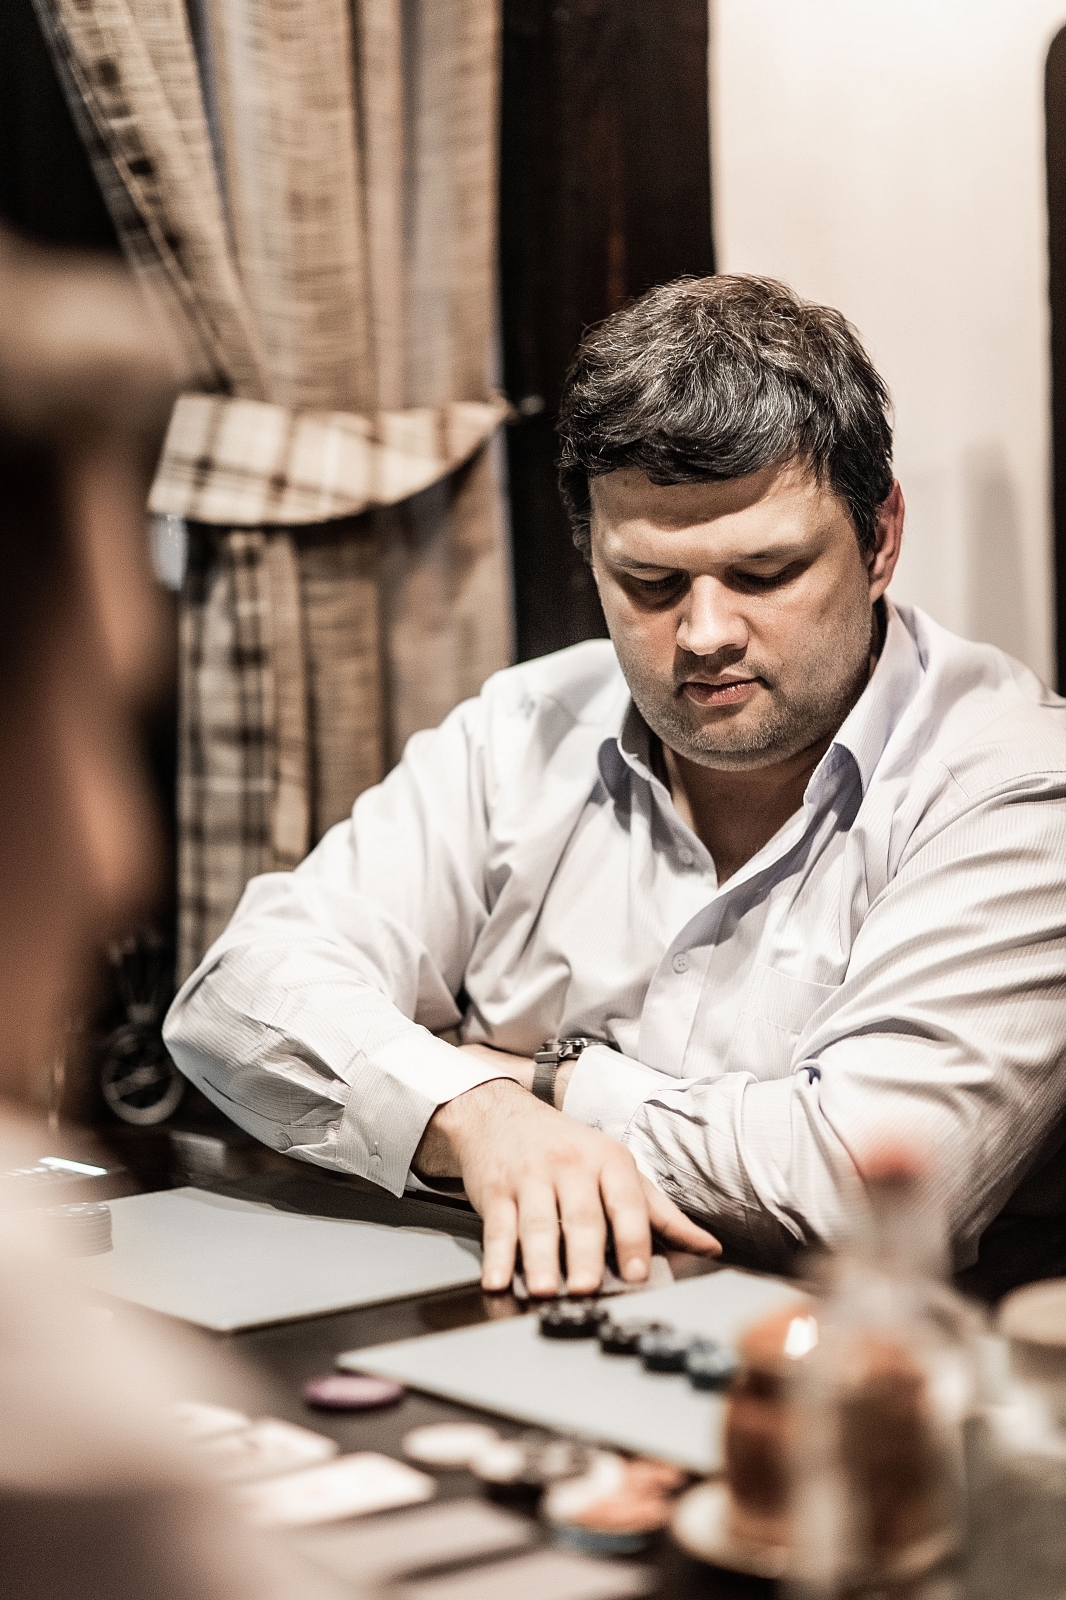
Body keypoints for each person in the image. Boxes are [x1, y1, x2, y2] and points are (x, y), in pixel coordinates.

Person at [165, 274, 1066, 1302]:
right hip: (501, 1318)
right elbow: (235, 995)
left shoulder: (1020, 788)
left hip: (864, 1368)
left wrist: (536, 1084)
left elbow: (869, 1187)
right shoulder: (524, 727)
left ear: (880, 540)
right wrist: (474, 1117)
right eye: (650, 583)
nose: (706, 633)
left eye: (765, 573)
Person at [0, 230, 341, 1599]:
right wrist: (502, 1093)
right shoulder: (59, 1412)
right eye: (74, 720)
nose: (116, 856)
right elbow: (234, 996)